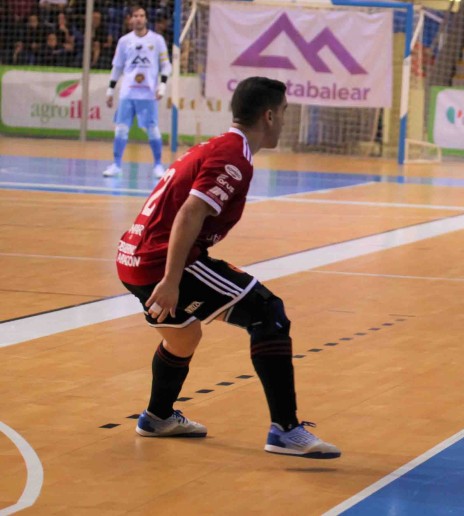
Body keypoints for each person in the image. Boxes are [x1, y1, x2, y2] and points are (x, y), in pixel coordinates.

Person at [114, 76, 341, 459]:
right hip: (161, 261)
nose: (285, 120)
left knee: (183, 337)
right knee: (268, 313)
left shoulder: (219, 147)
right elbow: (190, 213)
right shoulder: (233, 156)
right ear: (269, 115)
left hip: (132, 256)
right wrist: (171, 281)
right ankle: (286, 430)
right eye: (284, 112)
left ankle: (157, 417)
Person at [102, 5, 171, 178]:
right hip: (128, 93)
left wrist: (162, 86)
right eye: (135, 15)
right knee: (121, 129)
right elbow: (117, 67)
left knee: (153, 129)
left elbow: (166, 65)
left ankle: (158, 165)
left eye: (142, 15)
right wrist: (110, 90)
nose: (139, 18)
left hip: (148, 94)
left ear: (146, 18)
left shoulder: (157, 40)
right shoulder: (124, 41)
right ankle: (117, 165)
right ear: (130, 19)